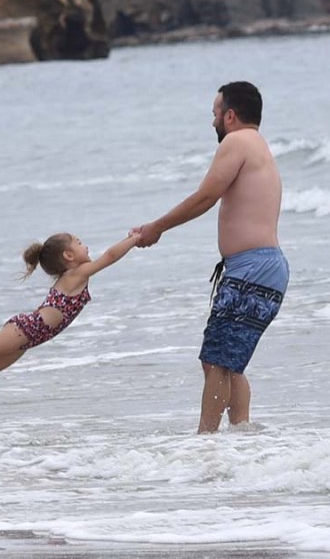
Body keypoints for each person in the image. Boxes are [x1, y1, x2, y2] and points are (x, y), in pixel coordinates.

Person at [132, 81, 289, 433]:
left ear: (230, 115)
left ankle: (206, 442)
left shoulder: (237, 142)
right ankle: (242, 435)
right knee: (228, 363)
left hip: (252, 269)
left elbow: (206, 197)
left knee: (216, 360)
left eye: (214, 114)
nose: (212, 122)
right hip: (261, 268)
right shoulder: (257, 145)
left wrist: (156, 227)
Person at [0, 232, 140, 404]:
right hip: (25, 329)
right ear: (69, 256)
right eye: (79, 243)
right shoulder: (76, 274)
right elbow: (110, 256)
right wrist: (133, 239)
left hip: (29, 338)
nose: (86, 245)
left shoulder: (75, 276)